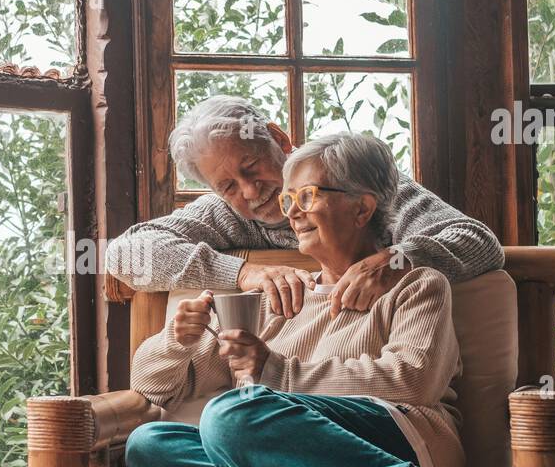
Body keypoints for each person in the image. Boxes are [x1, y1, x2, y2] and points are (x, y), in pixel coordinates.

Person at [124, 132, 507, 467]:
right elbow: (153, 387)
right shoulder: (277, 298)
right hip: (300, 459)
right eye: (288, 200)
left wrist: (275, 371)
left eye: (305, 197)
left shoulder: (416, 283)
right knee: (149, 445)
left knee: (231, 415)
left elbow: (413, 381)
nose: (289, 212)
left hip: (401, 437)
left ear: (362, 209)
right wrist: (177, 341)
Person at [105, 95, 505, 318]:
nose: (250, 191)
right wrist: (245, 273)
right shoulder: (225, 213)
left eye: (252, 166)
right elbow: (125, 253)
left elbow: (478, 241)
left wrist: (393, 261)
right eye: (227, 185)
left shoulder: (350, 179)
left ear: (278, 139)